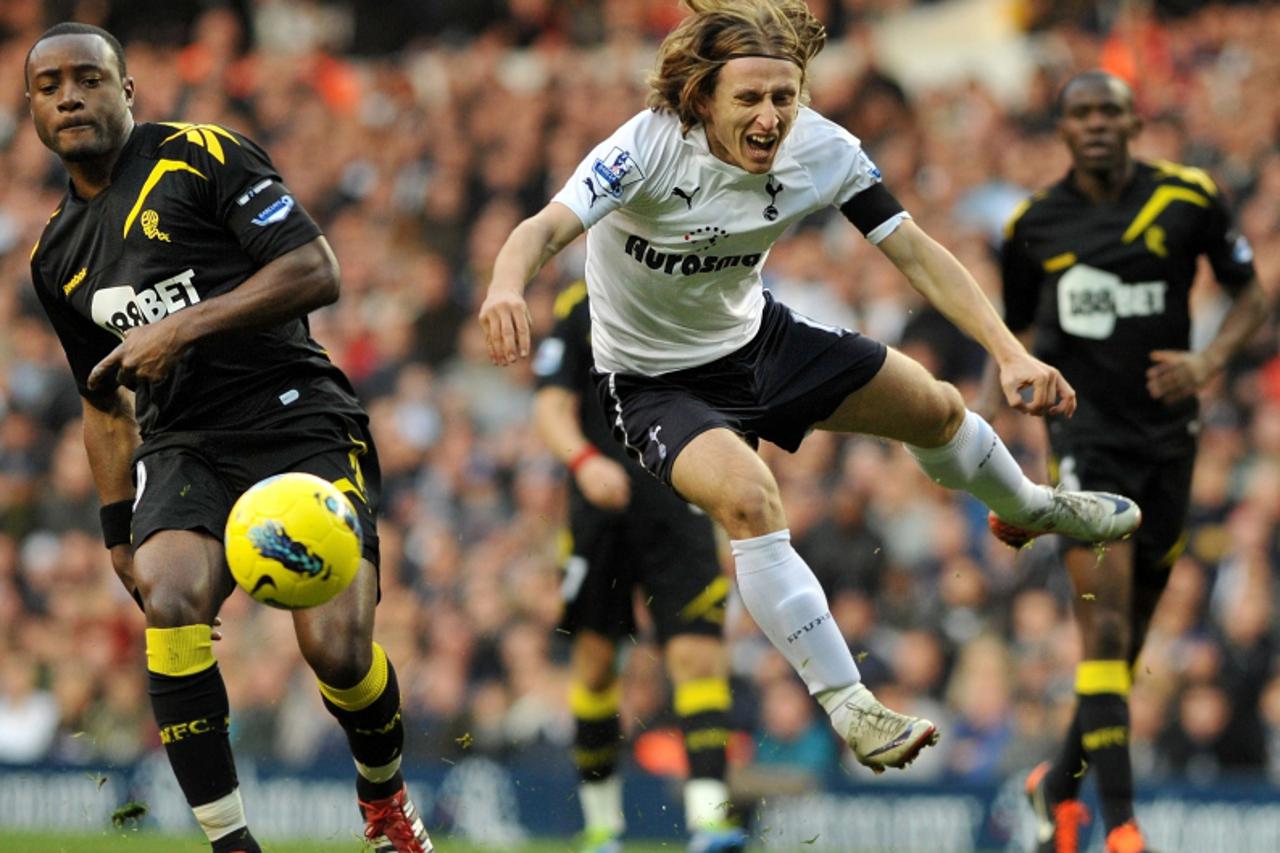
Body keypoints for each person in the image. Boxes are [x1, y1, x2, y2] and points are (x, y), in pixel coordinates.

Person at [480, 0, 1142, 778]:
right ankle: (852, 703)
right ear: (703, 98)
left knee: (935, 409)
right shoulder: (645, 150)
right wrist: (504, 284)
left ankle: (1029, 506)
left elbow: (919, 252)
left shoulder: (821, 149)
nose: (771, 117)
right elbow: (543, 228)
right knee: (751, 500)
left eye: (784, 97)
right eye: (750, 100)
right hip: (653, 383)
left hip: (760, 341)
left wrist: (1007, 351)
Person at [24, 23, 431, 853]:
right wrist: (114, 535)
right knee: (170, 598)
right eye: (49, 84)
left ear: (127, 90)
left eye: (89, 79)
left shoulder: (201, 156)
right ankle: (231, 844)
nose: (70, 95)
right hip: (185, 443)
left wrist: (183, 329)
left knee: (339, 650)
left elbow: (317, 269)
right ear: (31, 107)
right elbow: (102, 402)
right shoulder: (55, 257)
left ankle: (385, 803)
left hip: (298, 418)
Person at [996, 70, 1268, 853]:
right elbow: (1010, 336)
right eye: (1080, 114)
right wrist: (996, 431)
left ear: (1134, 121)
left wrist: (1209, 361)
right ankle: (1122, 828)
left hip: (1170, 442)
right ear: (1062, 130)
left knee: (1128, 644)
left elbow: (1250, 293)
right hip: (1085, 440)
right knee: (1105, 626)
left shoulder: (1189, 198)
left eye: (1110, 111)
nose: (1097, 125)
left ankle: (1055, 786)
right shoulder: (1033, 225)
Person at [533, 282, 747, 853]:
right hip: (599, 510)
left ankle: (711, 821)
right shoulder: (578, 304)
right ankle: (603, 826)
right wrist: (582, 462)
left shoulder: (699, 291)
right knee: (598, 663)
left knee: (698, 654)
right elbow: (551, 405)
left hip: (681, 504)